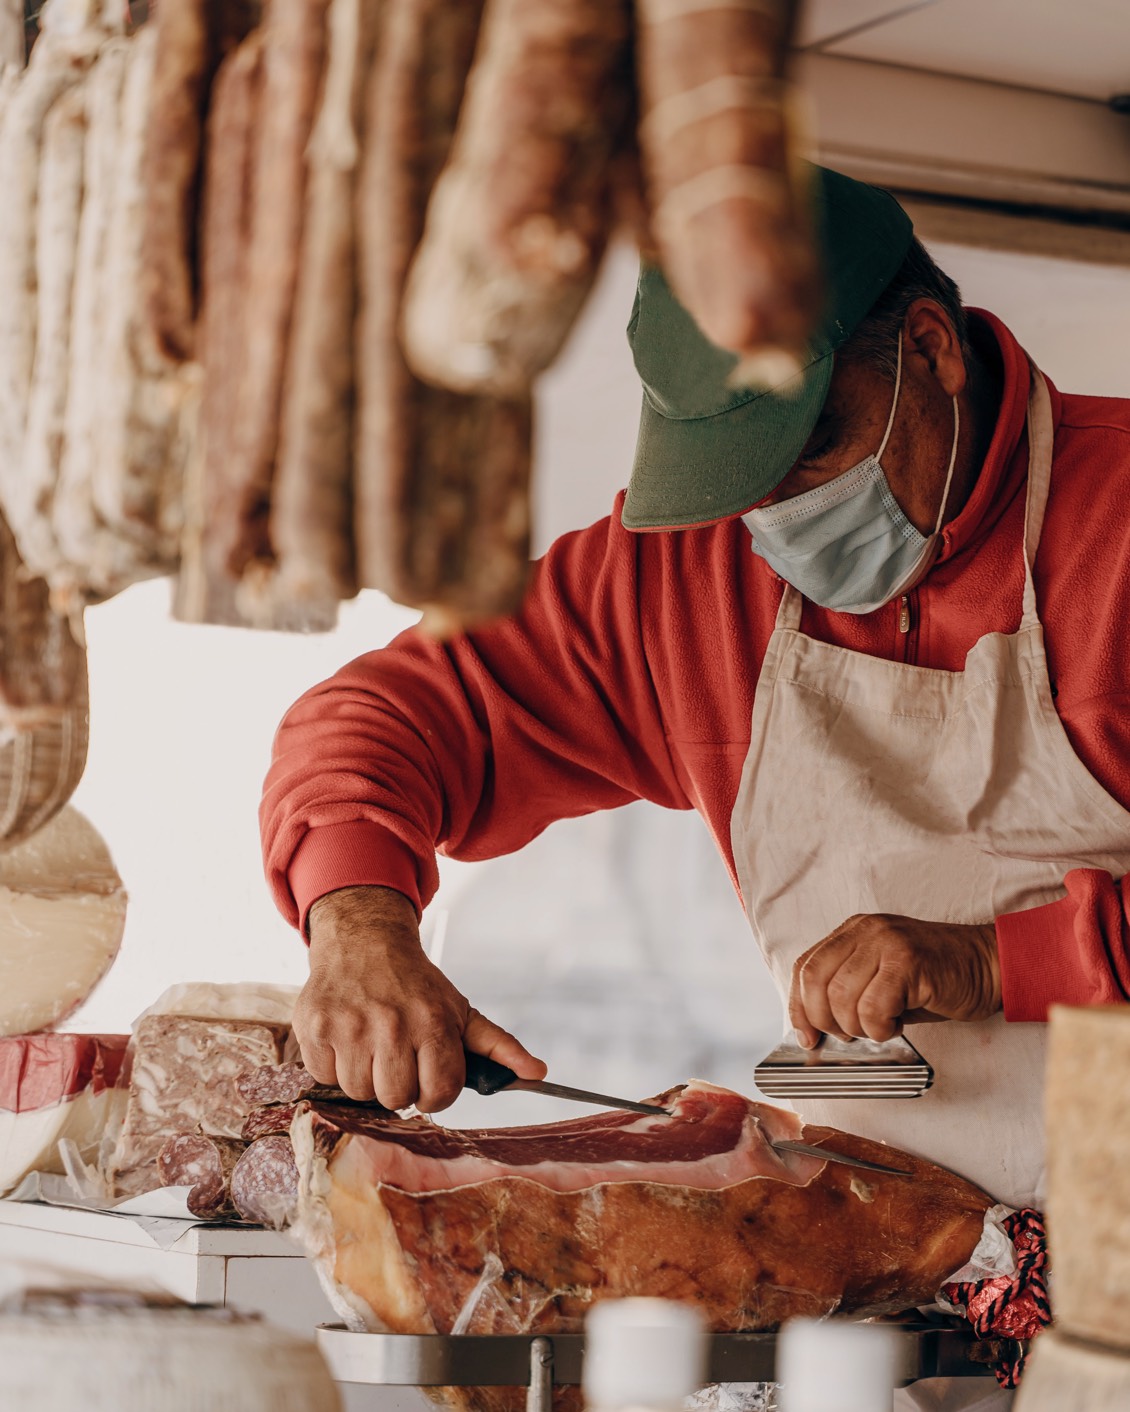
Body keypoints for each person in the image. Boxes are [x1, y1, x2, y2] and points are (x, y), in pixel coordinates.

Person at [261, 164, 1130, 1217]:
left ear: (929, 350)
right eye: (738, 482)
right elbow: (382, 716)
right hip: (901, 1260)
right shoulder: (687, 573)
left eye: (808, 453)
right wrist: (358, 921)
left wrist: (994, 959)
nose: (776, 520)